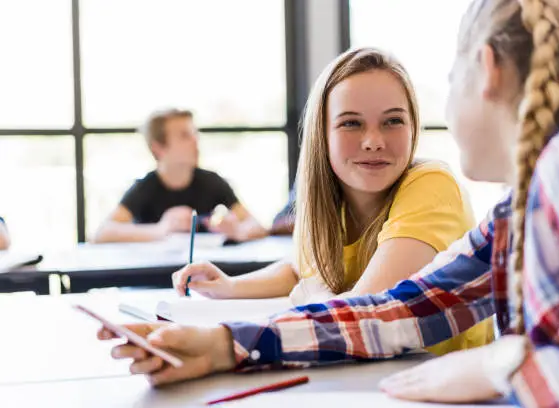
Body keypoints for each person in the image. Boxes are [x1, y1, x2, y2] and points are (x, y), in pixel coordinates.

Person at [100, 1, 559, 403]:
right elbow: (407, 308)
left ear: (488, 69)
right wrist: (225, 344)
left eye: (450, 80)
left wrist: (505, 366)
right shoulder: (529, 199)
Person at [179, 49, 492, 354]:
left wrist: (308, 295)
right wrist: (230, 285)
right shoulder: (332, 199)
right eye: (351, 123)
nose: (374, 142)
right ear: (322, 134)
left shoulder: (432, 183)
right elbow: (302, 270)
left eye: (393, 121)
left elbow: (362, 316)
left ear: (413, 128)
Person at [92, 109, 267, 243]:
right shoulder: (146, 187)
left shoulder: (212, 182)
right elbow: (102, 233)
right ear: (159, 148)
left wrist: (237, 231)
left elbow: (257, 226)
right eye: (185, 135)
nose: (195, 141)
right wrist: (161, 229)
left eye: (194, 133)